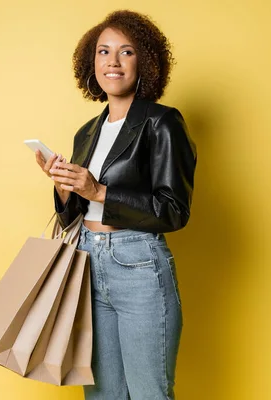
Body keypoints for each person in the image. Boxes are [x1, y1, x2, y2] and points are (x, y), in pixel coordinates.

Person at [34, 10, 197, 400]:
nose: (113, 61)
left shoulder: (162, 122)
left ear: (145, 61)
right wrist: (63, 187)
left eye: (126, 52)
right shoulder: (87, 131)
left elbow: (174, 210)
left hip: (138, 264)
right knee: (102, 394)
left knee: (149, 393)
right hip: (88, 262)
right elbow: (75, 212)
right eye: (104, 52)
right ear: (91, 64)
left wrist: (100, 191)